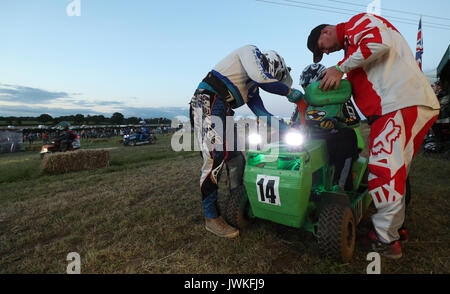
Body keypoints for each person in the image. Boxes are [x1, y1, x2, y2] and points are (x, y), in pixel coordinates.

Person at [307, 13, 440, 259]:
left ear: (325, 32)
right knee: (395, 173)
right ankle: (395, 229)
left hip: (397, 104)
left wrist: (339, 68)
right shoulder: (351, 49)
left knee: (382, 171)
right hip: (400, 105)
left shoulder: (357, 23)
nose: (326, 53)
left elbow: (379, 43)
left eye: (322, 48)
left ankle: (386, 241)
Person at [190, 45, 304, 238]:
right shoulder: (250, 51)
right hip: (207, 101)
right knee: (214, 160)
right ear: (273, 66)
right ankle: (211, 217)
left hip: (222, 109)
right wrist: (289, 92)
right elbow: (263, 78)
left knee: (236, 160)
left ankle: (237, 203)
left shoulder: (252, 89)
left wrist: (288, 130)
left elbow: (263, 115)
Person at [293, 63, 360, 192]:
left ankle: (341, 186)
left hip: (333, 138)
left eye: (309, 86)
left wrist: (336, 121)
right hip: (308, 140)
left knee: (348, 135)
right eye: (304, 86)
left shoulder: (340, 98)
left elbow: (354, 121)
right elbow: (294, 123)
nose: (306, 90)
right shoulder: (302, 102)